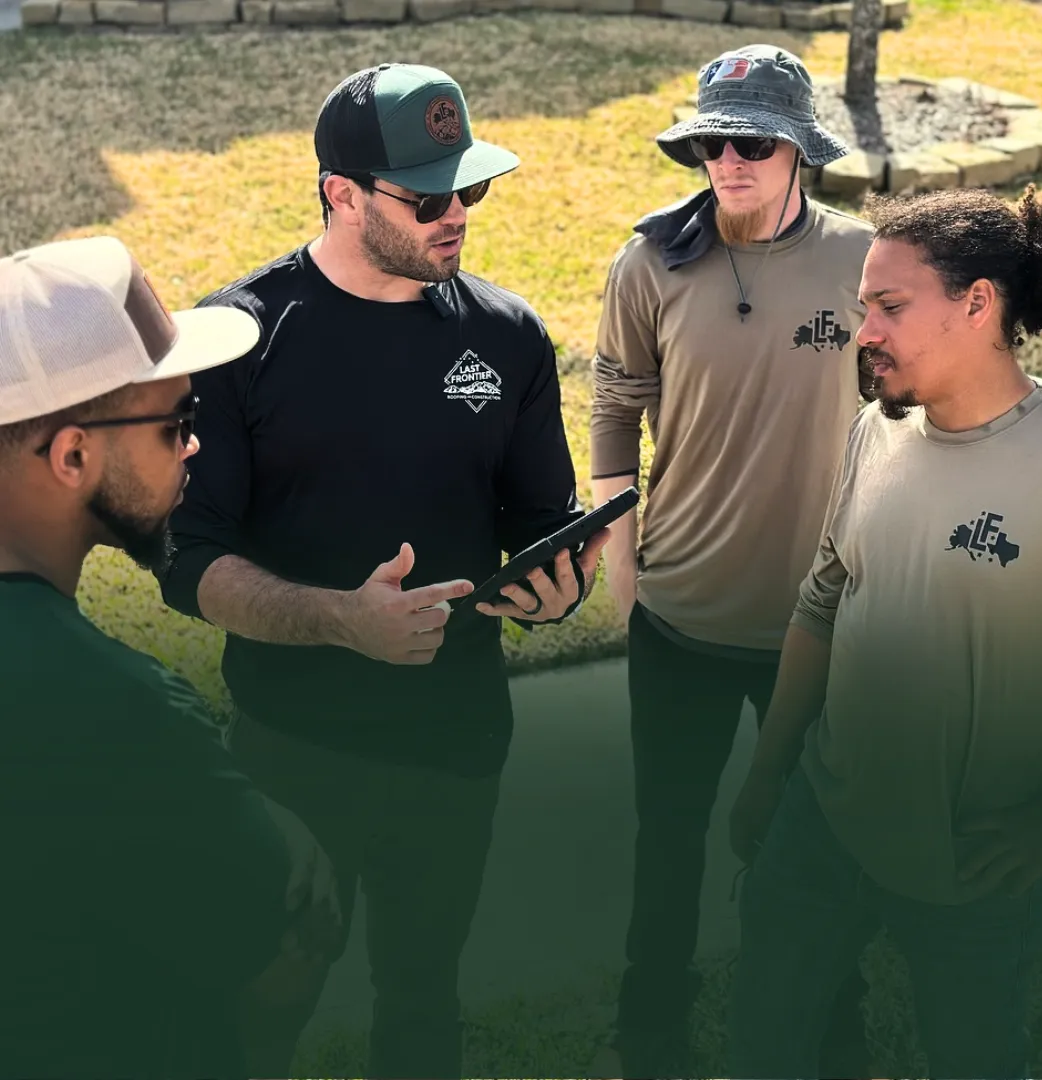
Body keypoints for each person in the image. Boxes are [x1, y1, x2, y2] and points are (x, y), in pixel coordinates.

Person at [154, 62, 608, 1079]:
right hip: (295, 746)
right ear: (342, 193)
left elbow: (542, 520)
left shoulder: (508, 336)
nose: (458, 216)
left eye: (470, 189)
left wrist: (556, 587)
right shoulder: (239, 338)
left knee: (423, 995)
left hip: (457, 741)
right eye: (428, 198)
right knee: (267, 994)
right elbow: (187, 559)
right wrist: (338, 620)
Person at [726, 183, 1042, 1078]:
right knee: (765, 1042)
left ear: (977, 303)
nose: (865, 332)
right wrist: (770, 773)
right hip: (822, 821)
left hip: (974, 861)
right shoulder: (873, 434)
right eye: (863, 309)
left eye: (889, 306)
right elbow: (822, 605)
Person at [588, 43, 876, 1077]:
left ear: (799, 151)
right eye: (714, 142)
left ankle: (832, 1032)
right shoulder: (649, 265)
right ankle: (651, 1028)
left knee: (816, 846)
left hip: (821, 628)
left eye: (754, 143)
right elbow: (615, 410)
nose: (730, 162)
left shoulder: (863, 263)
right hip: (679, 623)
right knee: (666, 841)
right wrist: (625, 572)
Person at [0, 235, 342, 1080]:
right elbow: (281, 961)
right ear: (72, 455)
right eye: (177, 424)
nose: (194, 449)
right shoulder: (119, 712)